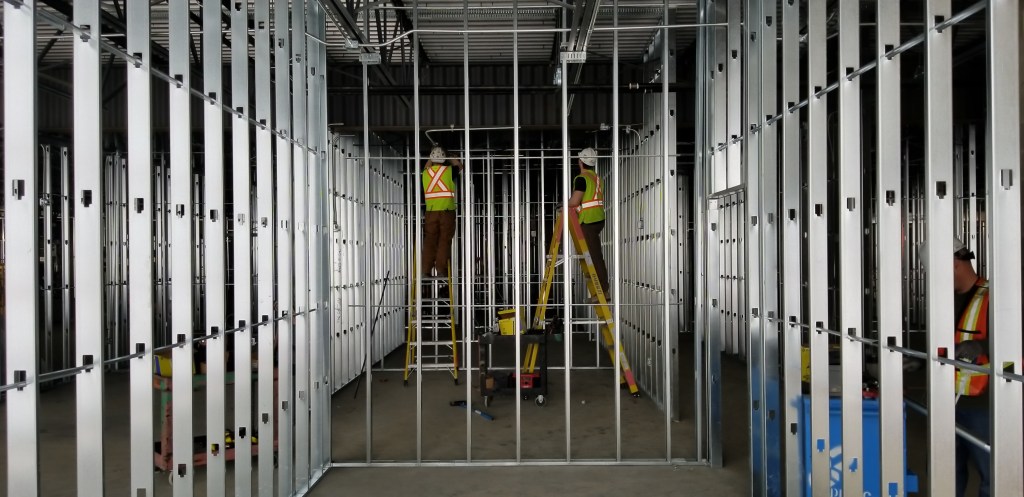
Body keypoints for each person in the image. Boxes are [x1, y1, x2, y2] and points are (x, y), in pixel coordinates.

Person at [950, 236, 991, 497]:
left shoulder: (993, 296)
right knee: (947, 472)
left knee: (992, 475)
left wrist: (984, 346)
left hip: (983, 406)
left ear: (954, 263)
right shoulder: (944, 301)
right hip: (948, 402)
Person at [567, 147, 610, 303]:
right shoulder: (597, 178)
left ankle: (602, 292)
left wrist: (563, 204)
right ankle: (602, 290)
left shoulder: (582, 179)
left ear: (580, 162)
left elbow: (575, 201)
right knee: (594, 255)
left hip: (589, 221)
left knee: (595, 257)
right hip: (599, 219)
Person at [421, 146, 462, 286]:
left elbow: (427, 166)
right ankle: (440, 269)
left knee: (430, 240)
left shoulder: (425, 174)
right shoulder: (449, 171)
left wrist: (431, 158)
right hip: (446, 211)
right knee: (444, 240)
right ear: (443, 159)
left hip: (431, 212)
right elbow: (459, 165)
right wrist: (451, 156)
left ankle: (425, 270)